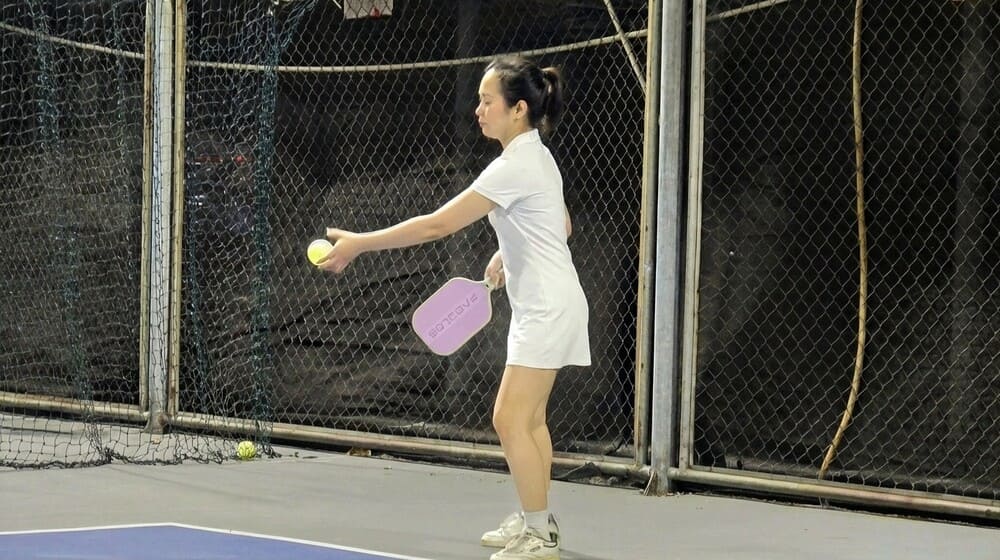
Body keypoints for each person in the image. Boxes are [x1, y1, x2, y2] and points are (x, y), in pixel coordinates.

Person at [318, 54, 589, 560]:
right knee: (530, 421)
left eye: (488, 102)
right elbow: (562, 225)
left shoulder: (512, 166)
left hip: (548, 309)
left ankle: (539, 534)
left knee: (509, 418)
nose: (479, 110)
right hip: (550, 304)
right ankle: (537, 517)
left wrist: (358, 243)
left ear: (518, 109)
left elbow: (436, 225)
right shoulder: (538, 156)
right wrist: (507, 252)